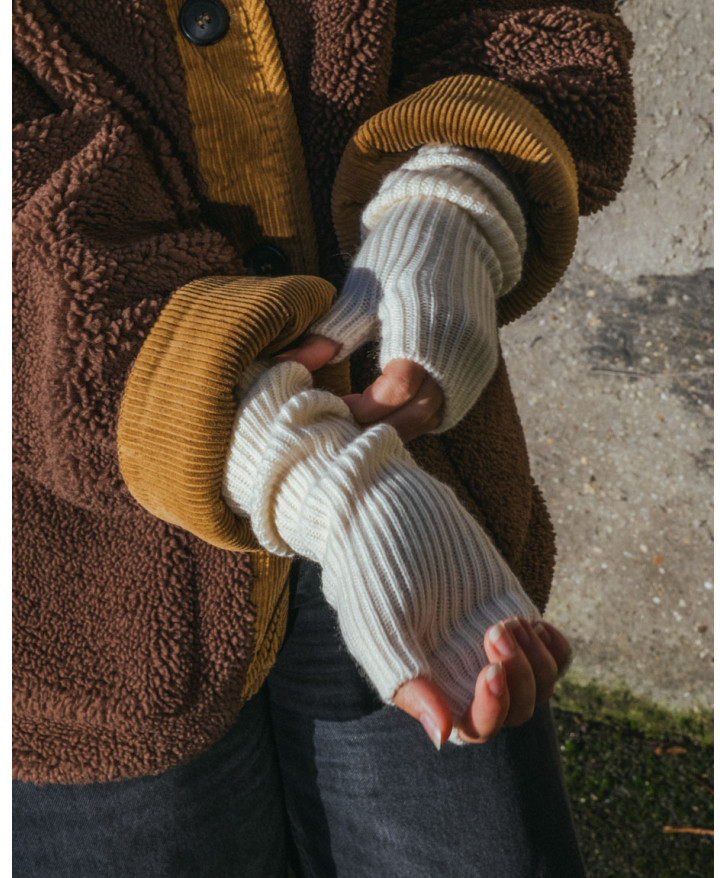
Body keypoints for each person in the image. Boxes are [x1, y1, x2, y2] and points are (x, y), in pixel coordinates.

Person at [12, 0, 635, 874]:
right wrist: (299, 464)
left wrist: (452, 199)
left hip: (420, 500)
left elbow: (536, 22)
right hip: (73, 588)